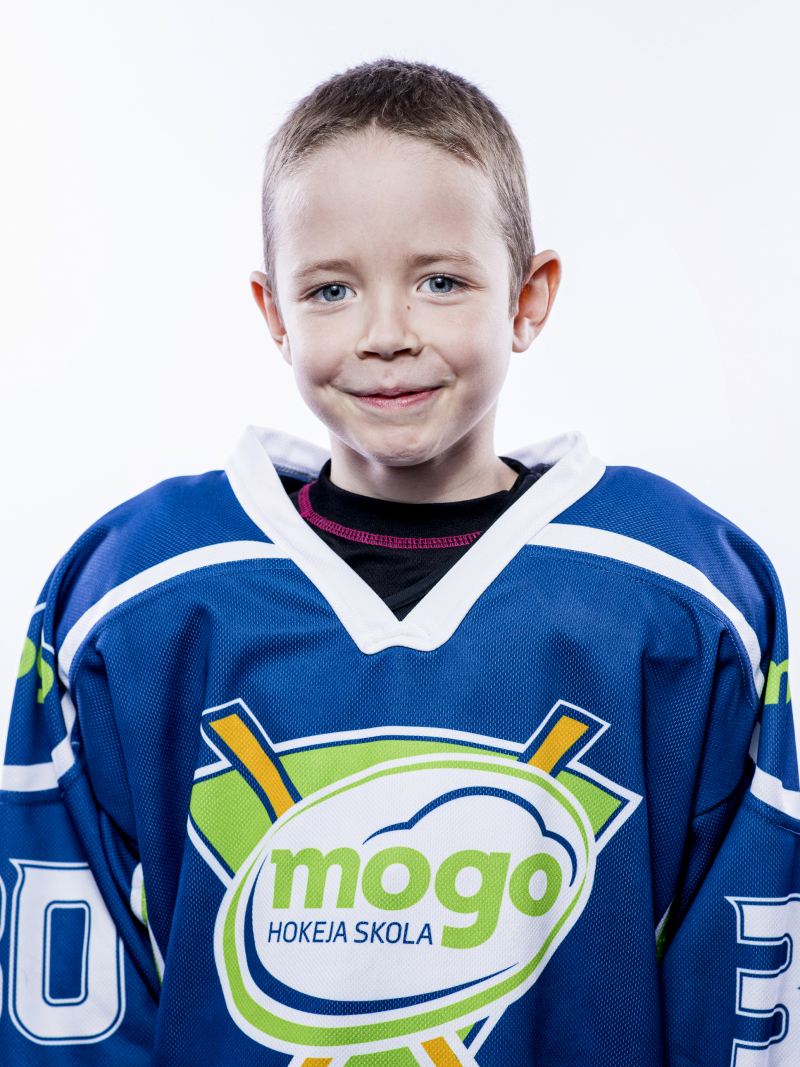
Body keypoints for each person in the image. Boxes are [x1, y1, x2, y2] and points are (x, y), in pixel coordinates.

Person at [1, 58, 797, 1067]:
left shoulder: (681, 597)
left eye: (440, 281)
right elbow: (69, 1005)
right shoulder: (135, 597)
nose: (385, 335)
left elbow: (742, 973)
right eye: (331, 289)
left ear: (528, 297)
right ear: (274, 313)